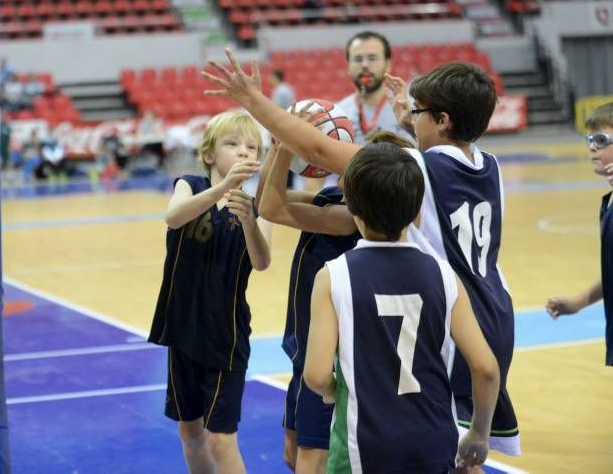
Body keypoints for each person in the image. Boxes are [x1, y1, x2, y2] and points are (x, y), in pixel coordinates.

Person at [202, 51, 521, 456]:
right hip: (496, 313)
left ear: (442, 120)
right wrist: (413, 118)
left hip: (455, 320)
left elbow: (317, 150)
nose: (411, 118)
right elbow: (445, 148)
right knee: (462, 448)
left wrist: (253, 101)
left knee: (450, 450)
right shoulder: (488, 166)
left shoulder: (416, 168)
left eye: (419, 113)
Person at [303, 142, 500, 473]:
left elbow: (315, 374)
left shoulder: (333, 275)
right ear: (416, 212)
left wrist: (336, 391)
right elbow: (486, 368)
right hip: (434, 436)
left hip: (364, 443)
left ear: (351, 206)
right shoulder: (444, 274)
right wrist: (479, 433)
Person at [260, 125, 413, 473]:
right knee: (293, 454)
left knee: (312, 462)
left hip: (328, 356)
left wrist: (285, 148)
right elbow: (266, 201)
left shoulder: (347, 219)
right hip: (303, 345)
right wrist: (276, 148)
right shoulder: (331, 197)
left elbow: (271, 208)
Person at [147, 110, 272, 474]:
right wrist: (221, 189)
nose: (243, 152)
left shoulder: (257, 205)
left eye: (252, 148)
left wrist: (249, 219)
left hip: (226, 334)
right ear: (209, 154)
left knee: (220, 438)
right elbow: (174, 217)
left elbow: (262, 261)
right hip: (182, 326)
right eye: (232, 144)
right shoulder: (189, 185)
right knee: (190, 431)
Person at [545, 100, 613, 405]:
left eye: (602, 140)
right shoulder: (612, 202)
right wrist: (580, 301)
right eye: (590, 139)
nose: (592, 147)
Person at [336, 31, 414, 145]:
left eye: (372, 58)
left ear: (387, 64)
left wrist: (412, 126)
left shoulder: (408, 109)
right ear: (348, 66)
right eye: (358, 59)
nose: (365, 65)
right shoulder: (338, 114)